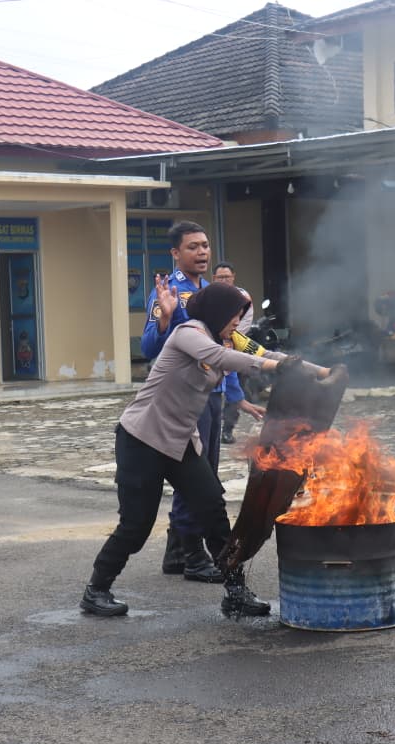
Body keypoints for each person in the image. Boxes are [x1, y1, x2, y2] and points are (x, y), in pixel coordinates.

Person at [81, 281, 326, 618]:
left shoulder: (230, 338)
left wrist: (323, 372)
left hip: (182, 440)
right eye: (233, 315)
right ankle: (96, 589)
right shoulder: (189, 333)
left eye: (240, 316)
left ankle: (235, 592)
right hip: (142, 439)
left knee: (212, 509)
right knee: (136, 524)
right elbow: (221, 358)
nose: (237, 323)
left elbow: (269, 356)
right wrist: (275, 369)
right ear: (217, 312)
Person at [141, 222, 263, 582]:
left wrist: (237, 396)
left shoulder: (211, 292)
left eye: (205, 245)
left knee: (202, 472)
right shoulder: (169, 292)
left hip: (214, 395)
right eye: (192, 246)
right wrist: (164, 320)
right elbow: (148, 346)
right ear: (175, 253)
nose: (202, 252)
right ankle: (194, 555)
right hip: (186, 399)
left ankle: (177, 552)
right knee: (196, 476)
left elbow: (229, 346)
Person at [212, 261, 254, 444]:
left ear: (233, 277)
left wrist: (229, 339)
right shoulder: (208, 295)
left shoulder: (243, 297)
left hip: (235, 345)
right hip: (211, 346)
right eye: (220, 277)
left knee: (234, 387)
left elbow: (243, 324)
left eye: (227, 277)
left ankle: (227, 429)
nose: (224, 280)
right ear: (214, 278)